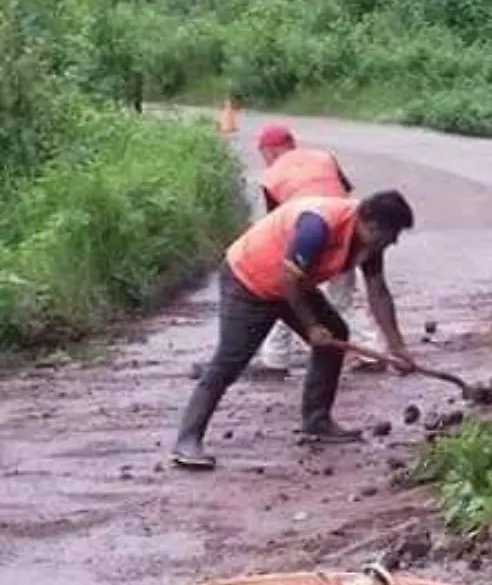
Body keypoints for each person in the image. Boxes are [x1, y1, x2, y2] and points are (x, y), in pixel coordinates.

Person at [169, 191, 416, 470]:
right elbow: (288, 280)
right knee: (229, 361)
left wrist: (397, 346)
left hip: (294, 286)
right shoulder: (317, 226)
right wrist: (311, 327)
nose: (392, 242)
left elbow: (378, 292)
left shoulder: (368, 243)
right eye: (390, 235)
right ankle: (187, 440)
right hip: (250, 282)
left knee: (334, 334)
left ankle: (317, 421)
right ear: (369, 224)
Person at [252, 124, 385, 375]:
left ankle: (275, 359)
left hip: (307, 233)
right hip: (343, 229)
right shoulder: (324, 157)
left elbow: (277, 222)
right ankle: (372, 352)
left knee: (287, 294)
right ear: (291, 144)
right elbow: (345, 191)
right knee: (346, 298)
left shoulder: (270, 176)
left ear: (268, 151)